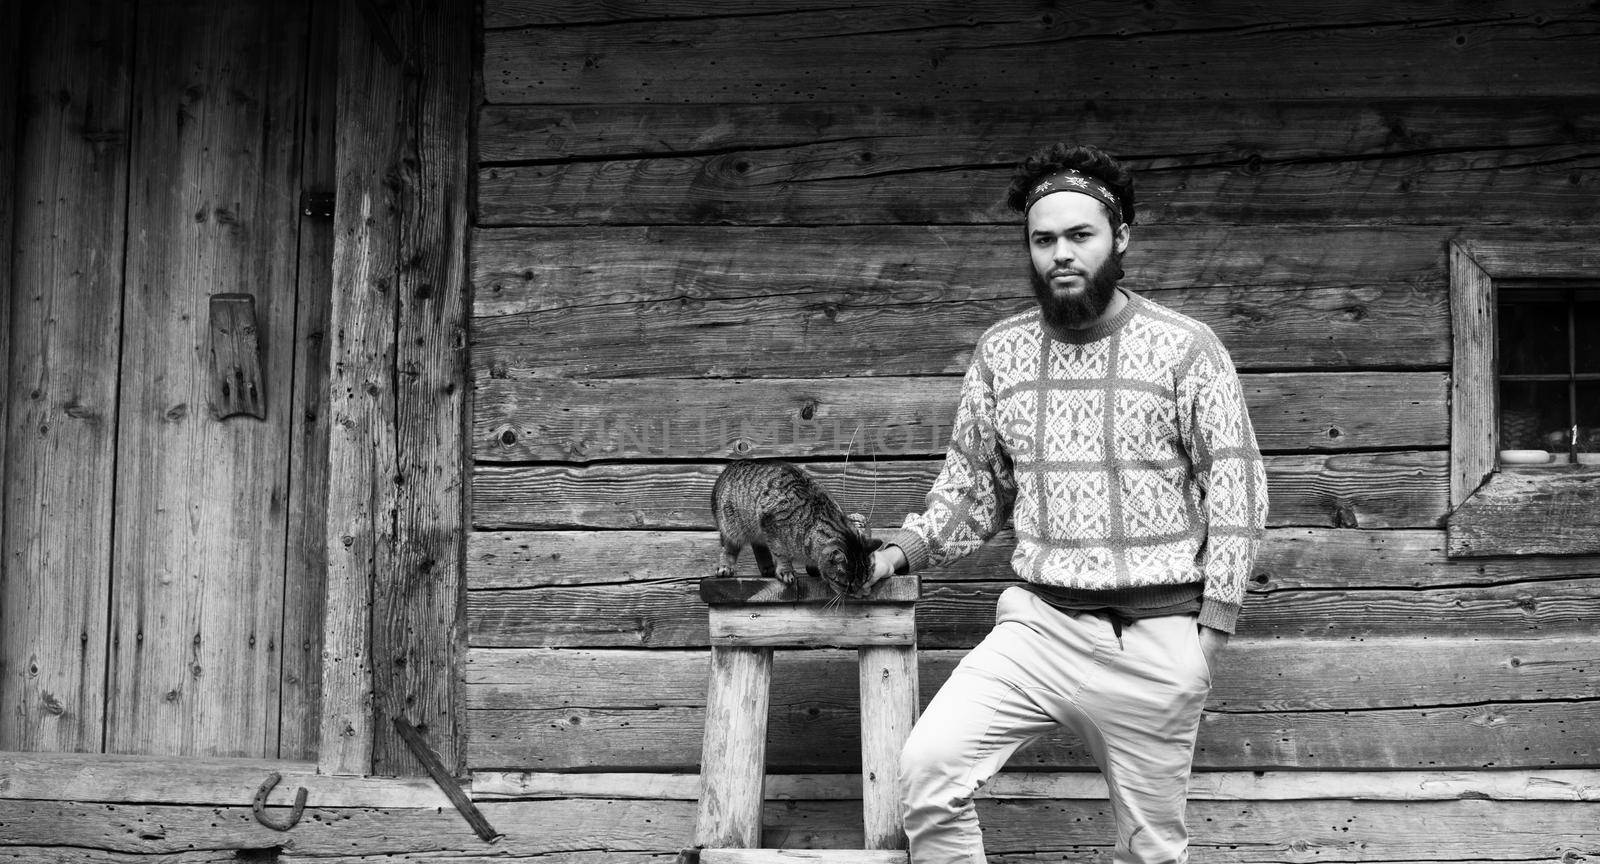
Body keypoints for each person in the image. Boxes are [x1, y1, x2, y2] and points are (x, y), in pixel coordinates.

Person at [870, 143, 1269, 864]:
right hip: (1037, 629)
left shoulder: (1186, 349)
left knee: (1151, 852)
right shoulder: (1001, 354)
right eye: (1043, 238)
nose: (1061, 253)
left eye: (1079, 235)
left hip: (1156, 640)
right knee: (928, 772)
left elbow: (1238, 488)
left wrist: (1207, 637)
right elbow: (972, 486)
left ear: (1120, 239)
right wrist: (902, 549)